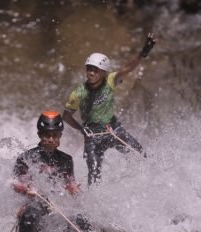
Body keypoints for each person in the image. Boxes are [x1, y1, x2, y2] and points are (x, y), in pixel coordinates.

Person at [13, 111, 98, 232]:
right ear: (40, 135)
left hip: (57, 206)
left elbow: (69, 183)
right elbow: (16, 183)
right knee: (28, 219)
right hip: (35, 205)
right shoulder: (26, 157)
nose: (51, 139)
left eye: (55, 135)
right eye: (47, 135)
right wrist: (27, 189)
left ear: (60, 136)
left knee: (82, 220)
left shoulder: (66, 160)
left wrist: (73, 189)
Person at [63, 33, 156, 186]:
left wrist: (144, 51)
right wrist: (82, 130)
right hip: (92, 136)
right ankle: (91, 204)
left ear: (104, 72)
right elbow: (66, 117)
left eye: (96, 70)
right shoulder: (78, 94)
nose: (91, 73)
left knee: (140, 154)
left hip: (113, 130)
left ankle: (149, 184)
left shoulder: (111, 81)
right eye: (89, 69)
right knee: (93, 173)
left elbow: (129, 67)